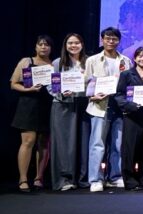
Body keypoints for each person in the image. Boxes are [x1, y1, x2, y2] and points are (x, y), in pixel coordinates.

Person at [85, 27, 131, 192]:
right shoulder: (93, 60)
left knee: (117, 145)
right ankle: (96, 179)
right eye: (108, 38)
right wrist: (92, 96)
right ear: (102, 40)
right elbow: (86, 84)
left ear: (119, 41)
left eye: (114, 39)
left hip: (119, 106)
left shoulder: (126, 61)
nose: (111, 41)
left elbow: (129, 84)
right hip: (100, 106)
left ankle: (115, 177)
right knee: (97, 144)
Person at [10, 35, 53, 191]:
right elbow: (13, 84)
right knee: (28, 141)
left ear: (51, 48)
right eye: (40, 44)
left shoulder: (53, 65)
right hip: (28, 104)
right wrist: (28, 89)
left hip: (47, 105)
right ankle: (23, 179)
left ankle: (38, 178)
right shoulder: (26, 61)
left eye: (47, 45)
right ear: (35, 47)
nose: (43, 47)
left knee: (44, 143)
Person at [50, 33, 90, 191]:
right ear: (65, 46)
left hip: (84, 104)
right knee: (64, 143)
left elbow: (94, 82)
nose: (73, 46)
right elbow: (52, 85)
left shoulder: (89, 62)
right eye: (70, 43)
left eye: (77, 42)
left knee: (83, 142)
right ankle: (65, 179)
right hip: (63, 105)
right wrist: (61, 92)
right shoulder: (57, 62)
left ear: (82, 44)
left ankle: (82, 178)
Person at [114, 47, 143, 190]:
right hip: (132, 116)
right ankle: (131, 181)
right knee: (130, 150)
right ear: (135, 58)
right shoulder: (127, 74)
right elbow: (119, 95)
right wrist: (130, 105)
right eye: (140, 56)